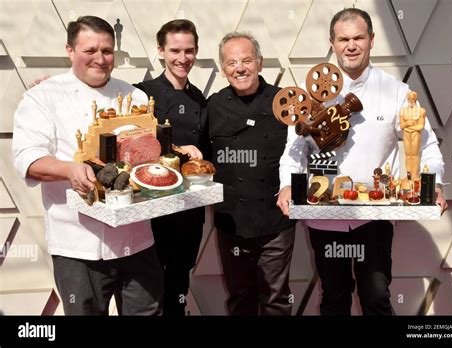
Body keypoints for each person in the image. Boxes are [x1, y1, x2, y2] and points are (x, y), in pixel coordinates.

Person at [277, 8, 448, 316]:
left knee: (377, 298)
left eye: (358, 38)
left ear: (372, 40)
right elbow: (295, 149)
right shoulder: (313, 94)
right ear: (332, 42)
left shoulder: (395, 91)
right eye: (343, 39)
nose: (351, 46)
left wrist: (432, 184)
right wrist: (288, 185)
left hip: (375, 217)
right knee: (334, 297)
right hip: (324, 216)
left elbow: (426, 144)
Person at [12, 16, 163, 315]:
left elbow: (149, 156)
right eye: (90, 50)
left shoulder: (136, 96)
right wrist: (69, 170)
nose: (100, 59)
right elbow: (27, 159)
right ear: (70, 50)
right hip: (77, 245)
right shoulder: (42, 96)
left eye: (107, 51)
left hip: (137, 239)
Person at [207, 32, 296, 315]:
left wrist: (292, 185)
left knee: (276, 299)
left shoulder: (284, 102)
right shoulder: (214, 105)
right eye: (231, 62)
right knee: (239, 297)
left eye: (246, 60)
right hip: (231, 221)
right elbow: (200, 158)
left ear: (259, 62)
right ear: (223, 69)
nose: (240, 68)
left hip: (275, 221)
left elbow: (301, 152)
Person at [134, 19, 207, 316]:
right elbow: (130, 142)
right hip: (151, 210)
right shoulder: (141, 93)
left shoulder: (199, 98)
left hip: (189, 211)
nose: (182, 58)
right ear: (160, 50)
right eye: (175, 50)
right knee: (148, 288)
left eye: (189, 50)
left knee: (179, 281)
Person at [400, 91, 426, 179]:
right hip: (406, 134)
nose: (411, 101)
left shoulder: (421, 111)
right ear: (407, 99)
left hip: (415, 134)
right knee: (408, 155)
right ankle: (409, 176)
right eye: (409, 99)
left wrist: (411, 128)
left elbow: (421, 126)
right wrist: (408, 123)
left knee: (415, 155)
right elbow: (401, 125)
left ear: (416, 99)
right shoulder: (403, 111)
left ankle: (415, 175)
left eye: (413, 99)